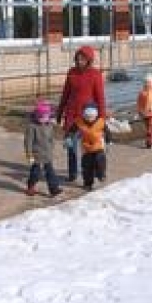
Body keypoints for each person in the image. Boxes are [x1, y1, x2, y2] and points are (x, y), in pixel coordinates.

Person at [55, 45, 106, 183]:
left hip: (89, 118)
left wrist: (102, 118)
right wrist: (59, 112)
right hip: (71, 117)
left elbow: (100, 97)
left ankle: (93, 171)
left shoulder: (96, 75)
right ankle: (72, 173)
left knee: (90, 148)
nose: (79, 61)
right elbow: (65, 94)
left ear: (89, 60)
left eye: (82, 59)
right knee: (71, 146)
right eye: (78, 59)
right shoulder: (71, 72)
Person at [24, 99, 62, 197]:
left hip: (47, 154)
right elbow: (28, 142)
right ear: (36, 116)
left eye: (45, 117)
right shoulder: (32, 127)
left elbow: (51, 138)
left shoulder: (49, 126)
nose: (43, 119)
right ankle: (31, 186)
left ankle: (54, 189)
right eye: (40, 117)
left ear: (48, 116)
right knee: (35, 173)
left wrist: (52, 147)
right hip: (36, 155)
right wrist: (29, 155)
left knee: (50, 172)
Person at [75, 103, 107, 190]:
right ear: (84, 115)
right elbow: (72, 129)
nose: (89, 119)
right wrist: (68, 137)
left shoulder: (101, 122)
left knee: (100, 159)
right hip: (86, 148)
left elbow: (107, 131)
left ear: (95, 116)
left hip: (98, 146)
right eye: (87, 117)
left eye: (91, 117)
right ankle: (88, 183)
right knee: (87, 166)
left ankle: (101, 174)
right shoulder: (79, 122)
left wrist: (109, 139)